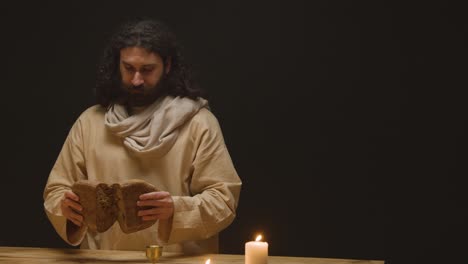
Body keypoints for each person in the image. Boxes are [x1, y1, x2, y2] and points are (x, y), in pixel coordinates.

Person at [43, 18, 242, 254]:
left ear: (167, 65)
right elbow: (56, 191)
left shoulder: (199, 124)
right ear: (118, 65)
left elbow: (224, 200)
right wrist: (66, 208)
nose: (136, 80)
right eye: (129, 69)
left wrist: (175, 210)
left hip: (177, 261)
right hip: (105, 260)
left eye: (147, 70)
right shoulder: (90, 123)